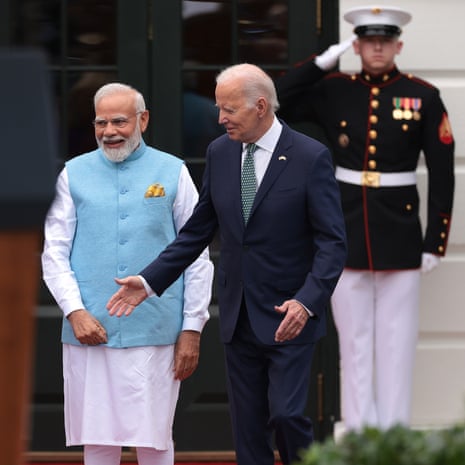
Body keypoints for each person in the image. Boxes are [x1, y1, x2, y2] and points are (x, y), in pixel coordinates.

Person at [106, 63, 347, 465]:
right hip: (238, 314)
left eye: (229, 110)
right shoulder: (219, 153)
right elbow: (196, 232)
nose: (220, 119)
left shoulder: (310, 156)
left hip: (291, 314)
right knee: (247, 427)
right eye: (220, 108)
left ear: (261, 106)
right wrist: (148, 282)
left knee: (287, 416)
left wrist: (307, 302)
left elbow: (333, 244)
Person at [276, 5, 455, 432]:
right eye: (369, 40)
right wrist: (320, 64)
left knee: (396, 343)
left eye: (385, 40)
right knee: (353, 343)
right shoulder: (334, 89)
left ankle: (393, 433)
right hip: (344, 229)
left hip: (399, 231)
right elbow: (277, 99)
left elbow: (444, 174)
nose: (377, 47)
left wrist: (435, 242)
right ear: (356, 45)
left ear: (398, 45)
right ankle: (358, 432)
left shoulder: (423, 95)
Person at [41, 82, 214, 465]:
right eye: (101, 122)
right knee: (98, 441)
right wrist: (75, 311)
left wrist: (192, 329)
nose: (109, 131)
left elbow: (197, 255)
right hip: (90, 329)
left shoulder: (173, 171)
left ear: (143, 120)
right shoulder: (73, 173)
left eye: (119, 121)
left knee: (154, 440)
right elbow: (53, 253)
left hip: (155, 330)